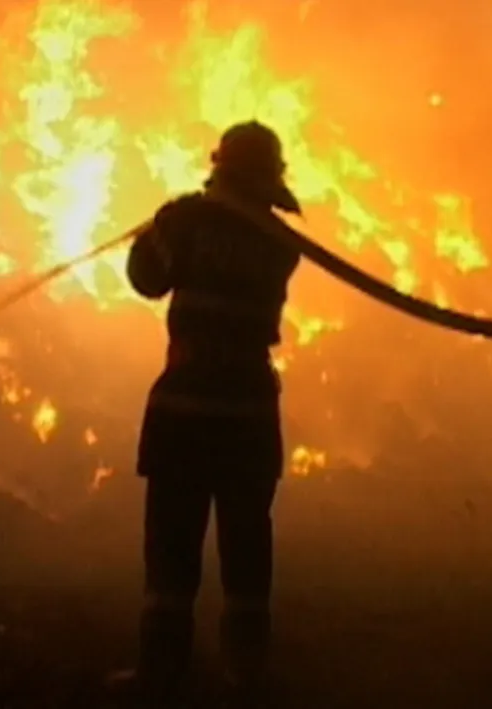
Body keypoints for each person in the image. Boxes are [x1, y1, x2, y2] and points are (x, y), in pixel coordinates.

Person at [109, 121, 301, 706]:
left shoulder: (188, 223)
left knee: (172, 551)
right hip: (249, 416)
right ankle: (246, 671)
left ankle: (162, 670)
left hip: (186, 414)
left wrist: (160, 229)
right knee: (248, 550)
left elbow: (146, 278)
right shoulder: (279, 243)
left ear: (222, 169)